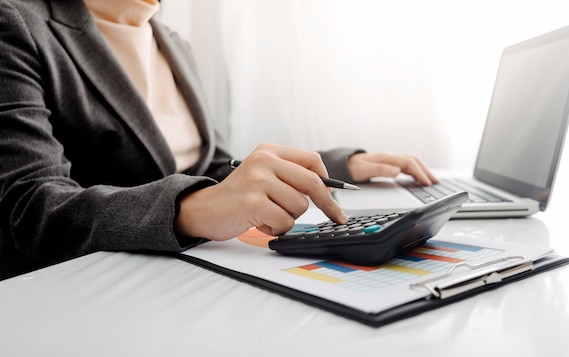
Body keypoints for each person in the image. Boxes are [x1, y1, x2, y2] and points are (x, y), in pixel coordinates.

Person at [0, 0, 437, 280]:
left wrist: (333, 166)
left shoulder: (174, 43)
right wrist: (191, 208)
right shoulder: (18, 21)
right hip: (83, 287)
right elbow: (30, 205)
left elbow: (215, 166)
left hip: (185, 272)